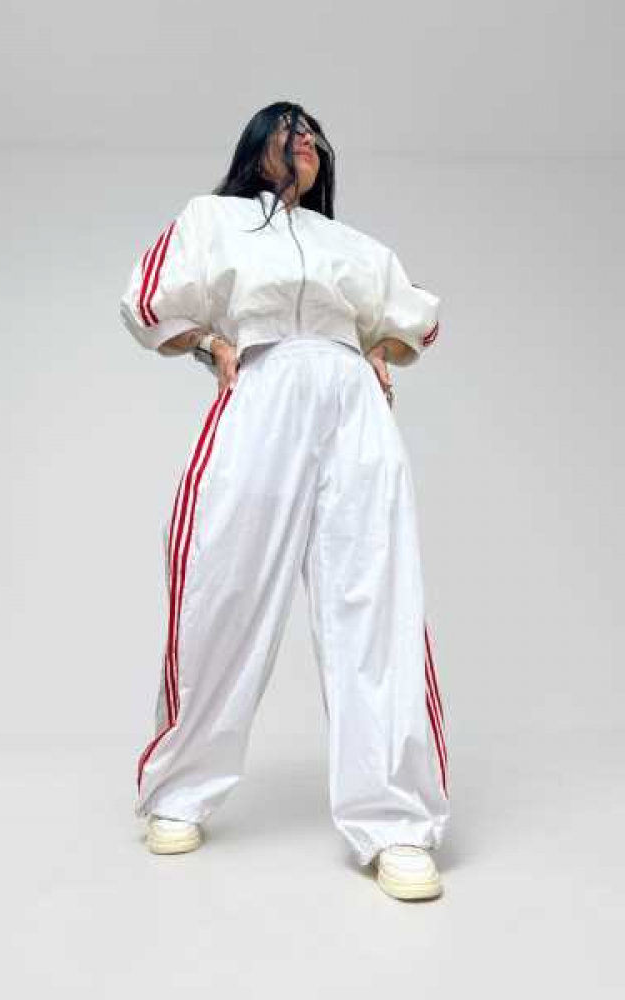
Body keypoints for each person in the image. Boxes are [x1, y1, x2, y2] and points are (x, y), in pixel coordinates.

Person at [119, 101, 449, 901]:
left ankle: (396, 822)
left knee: (376, 596)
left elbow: (413, 322)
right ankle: (179, 789)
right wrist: (211, 343)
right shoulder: (213, 220)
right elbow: (148, 300)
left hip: (352, 401)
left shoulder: (353, 245)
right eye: (286, 130)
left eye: (312, 135)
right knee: (222, 584)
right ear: (254, 147)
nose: (303, 142)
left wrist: (376, 350)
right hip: (263, 384)